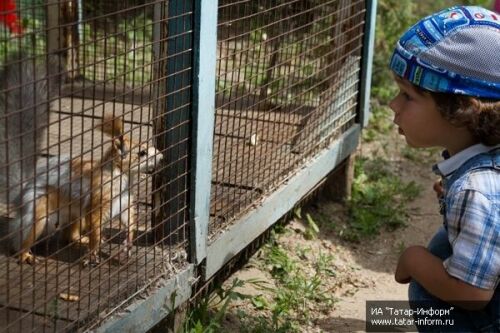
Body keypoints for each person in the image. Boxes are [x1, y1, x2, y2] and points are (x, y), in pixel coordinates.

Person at [388, 5, 500, 332]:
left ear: (460, 110)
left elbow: (474, 294)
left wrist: (412, 258)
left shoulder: (478, 189)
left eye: (407, 96)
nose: (393, 105)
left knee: (426, 289)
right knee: (444, 245)